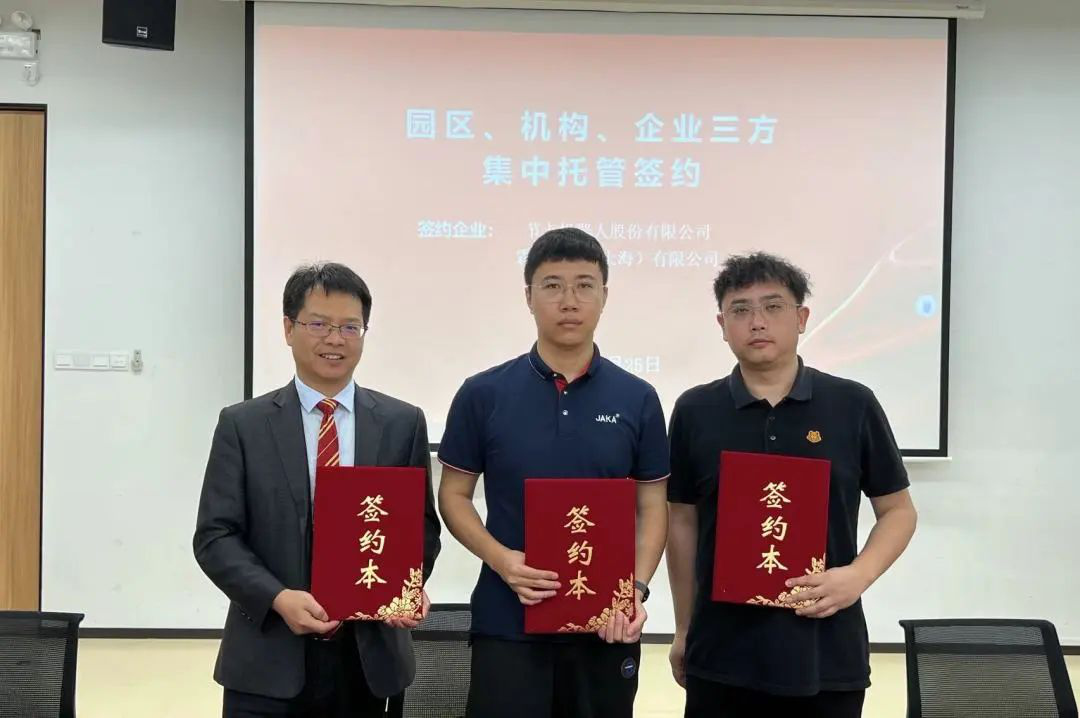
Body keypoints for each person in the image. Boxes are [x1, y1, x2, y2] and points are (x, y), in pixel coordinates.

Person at [666, 252, 918, 718]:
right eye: (740, 310)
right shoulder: (695, 410)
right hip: (721, 654)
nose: (757, 322)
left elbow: (898, 511)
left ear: (801, 318)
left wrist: (858, 575)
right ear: (722, 325)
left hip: (827, 651)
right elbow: (681, 521)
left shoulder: (852, 404)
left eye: (773, 306)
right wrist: (684, 628)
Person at [437, 228, 670, 718]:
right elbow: (453, 495)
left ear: (604, 296)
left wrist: (635, 589)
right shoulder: (483, 393)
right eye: (552, 285)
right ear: (529, 297)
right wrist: (502, 560)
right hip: (508, 621)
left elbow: (652, 506)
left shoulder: (638, 398)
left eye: (585, 285)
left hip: (604, 624)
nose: (569, 300)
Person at [194, 262, 441, 717]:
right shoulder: (243, 425)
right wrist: (277, 597)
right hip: (267, 658)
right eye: (319, 324)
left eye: (350, 327)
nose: (335, 339)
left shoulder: (402, 423)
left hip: (366, 662)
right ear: (289, 329)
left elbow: (421, 528)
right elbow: (215, 537)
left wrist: (410, 585)